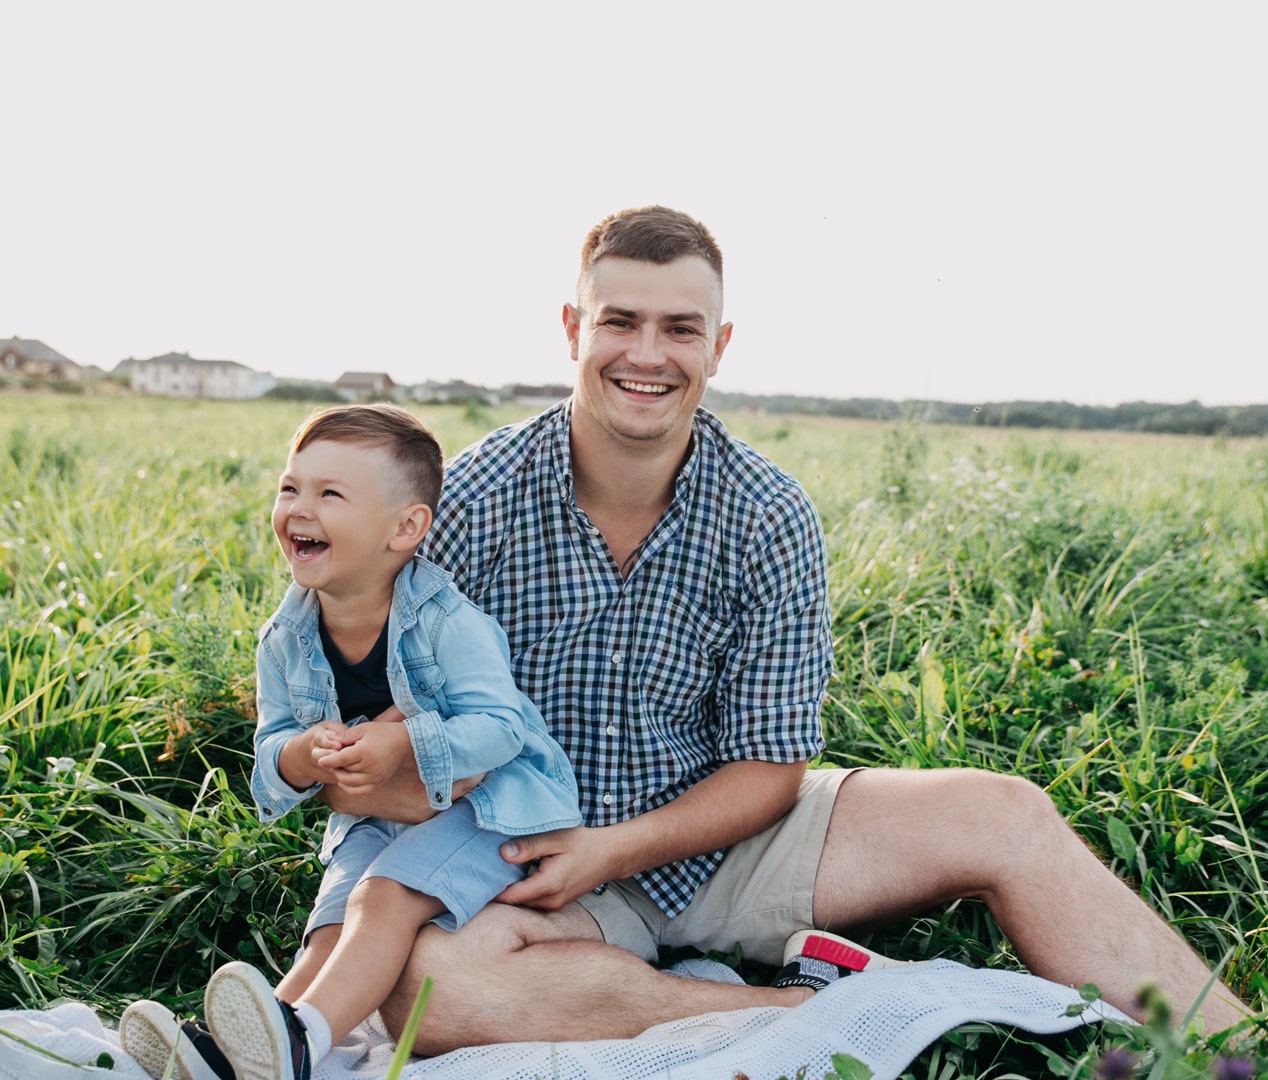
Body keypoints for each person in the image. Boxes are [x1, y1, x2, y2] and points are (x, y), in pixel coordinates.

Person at [118, 403, 580, 1080]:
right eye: (290, 487)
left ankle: (301, 1043)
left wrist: (403, 745)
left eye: (330, 494)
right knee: (331, 924)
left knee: (381, 898)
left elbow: (503, 727)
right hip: (376, 815)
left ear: (405, 528)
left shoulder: (450, 622)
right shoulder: (285, 636)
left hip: (491, 814)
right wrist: (301, 755)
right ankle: (249, 1047)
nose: (300, 508)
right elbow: (273, 742)